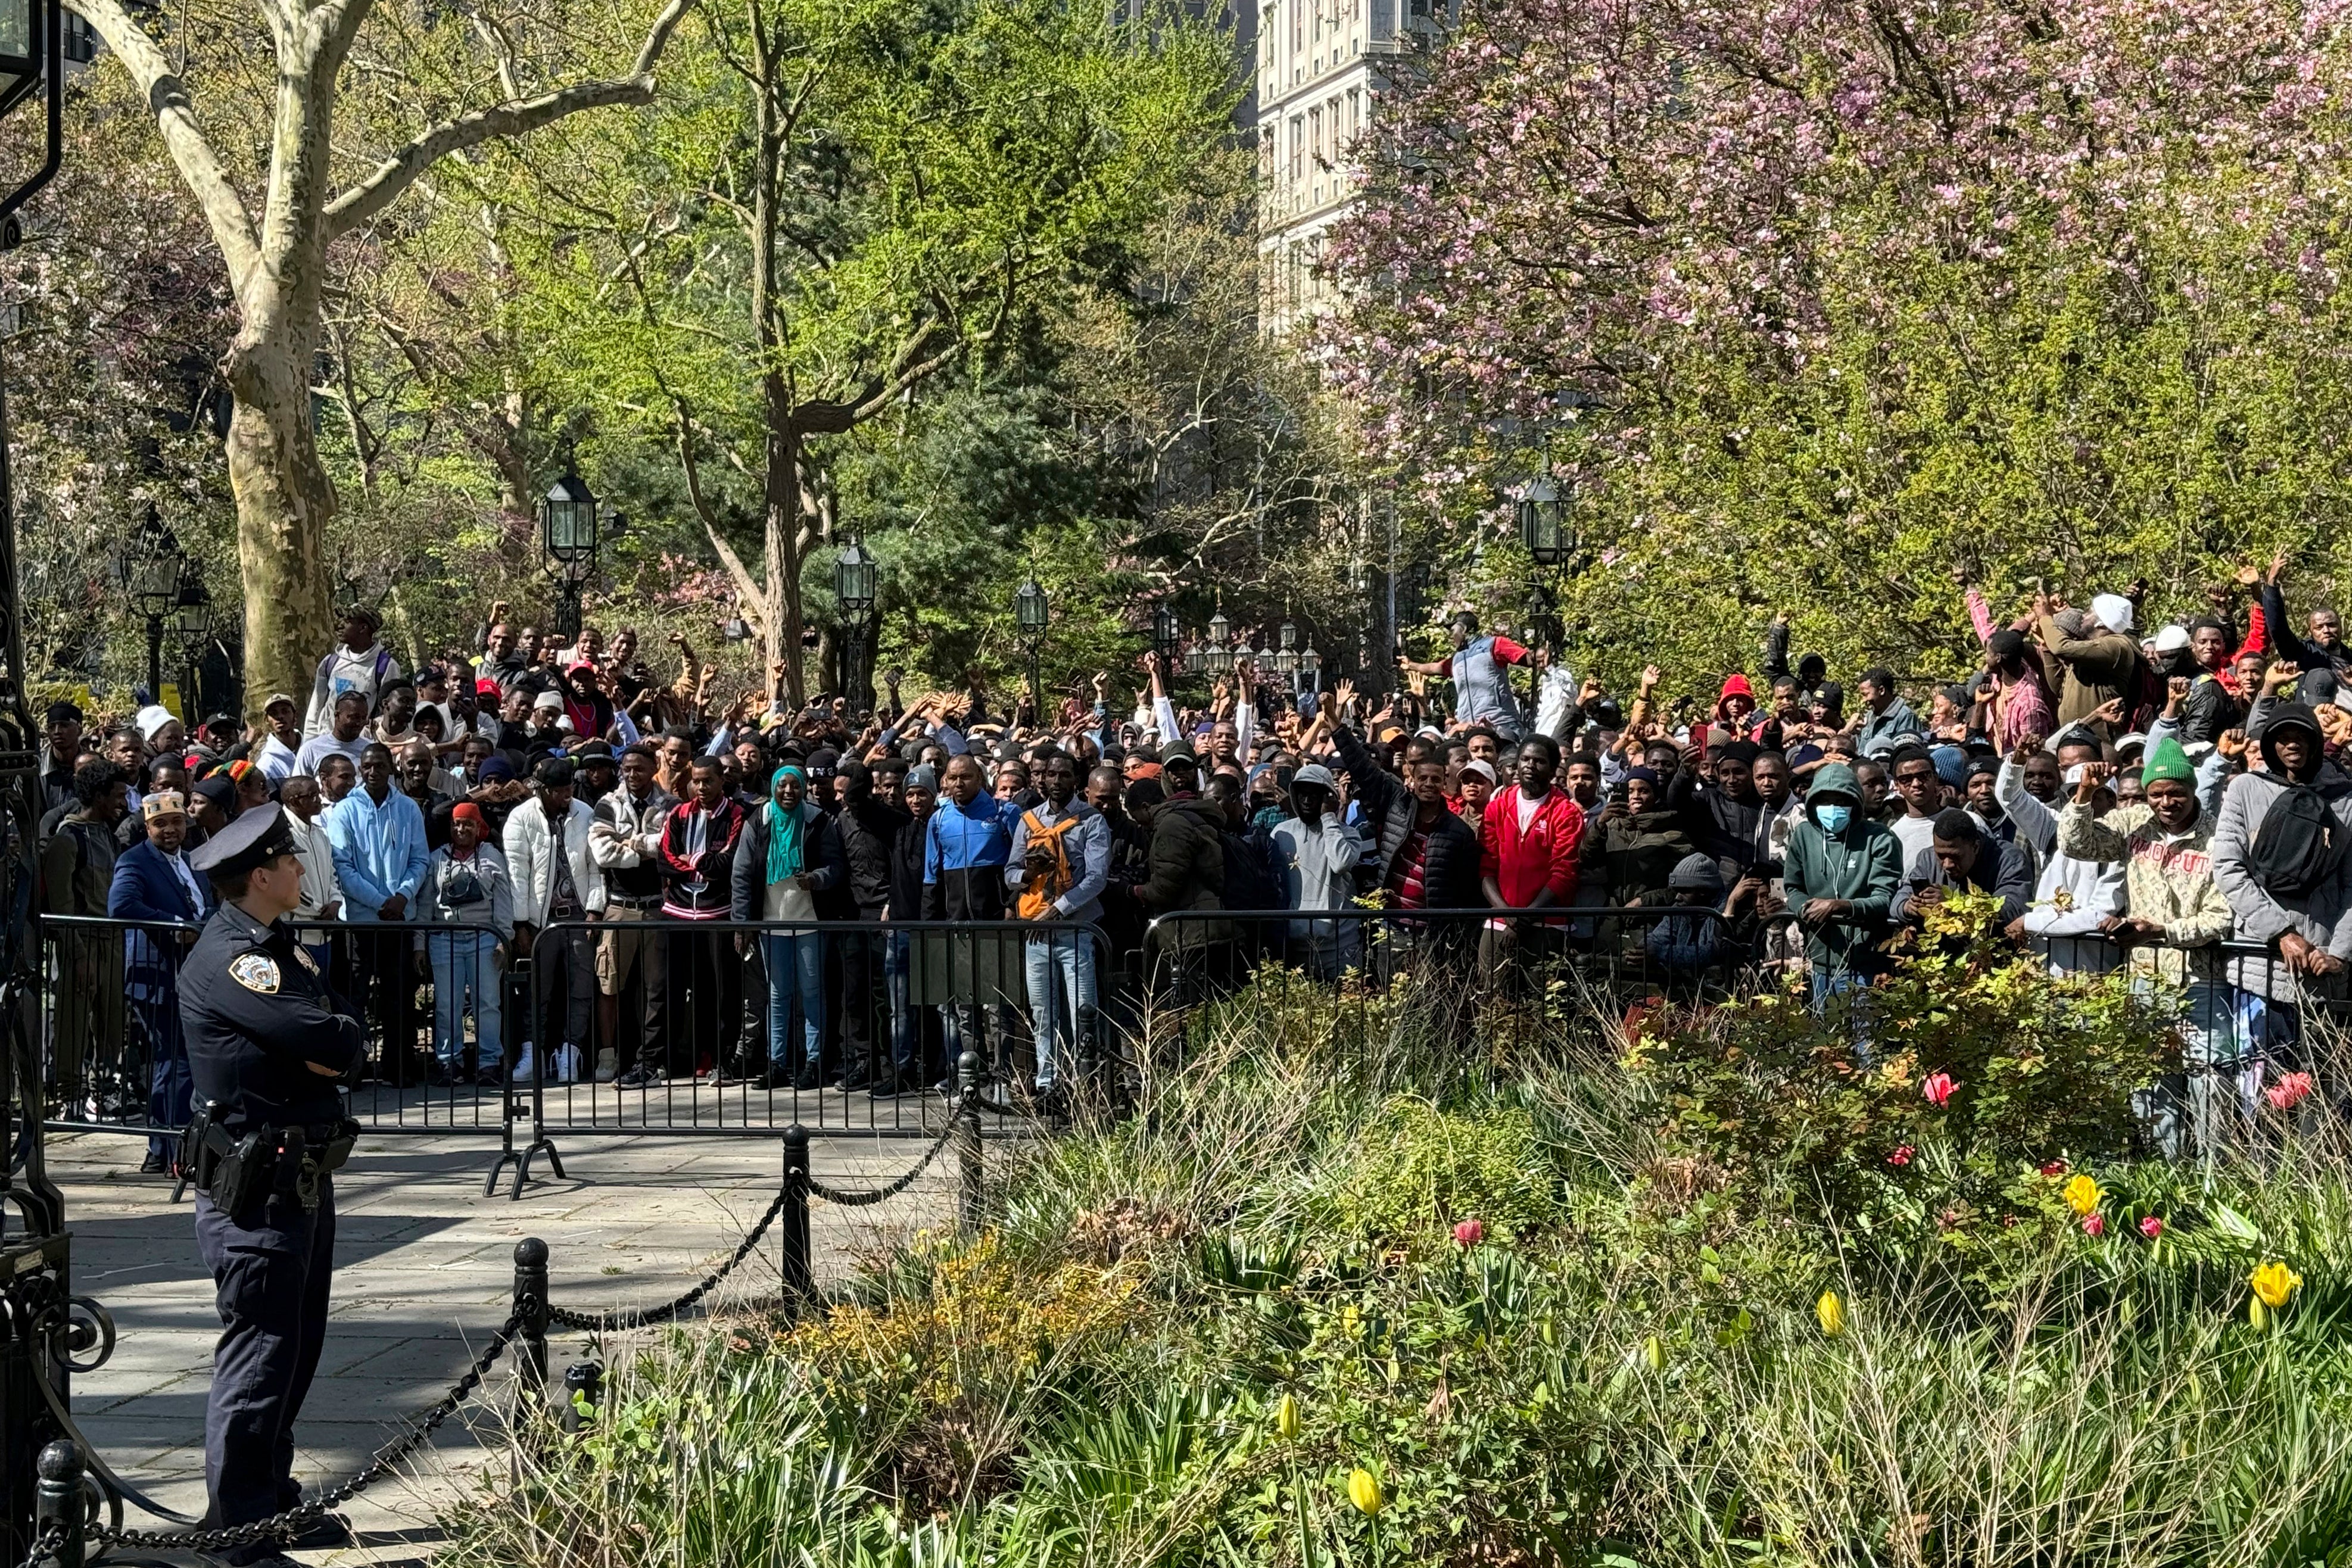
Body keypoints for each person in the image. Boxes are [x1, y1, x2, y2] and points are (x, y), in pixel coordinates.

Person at [176, 806, 365, 1566]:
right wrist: (331, 1041)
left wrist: (333, 1041)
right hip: (258, 1189)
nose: (299, 867)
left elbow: (342, 1032)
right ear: (261, 875)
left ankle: (271, 1500)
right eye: (290, 858)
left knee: (293, 1351)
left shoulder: (280, 948)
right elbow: (323, 1039)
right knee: (259, 1356)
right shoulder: (231, 956)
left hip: (301, 1180)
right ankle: (241, 1527)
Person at [2055, 738, 2238, 1156]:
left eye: (2176, 792)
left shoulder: (2217, 837)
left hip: (2201, 982)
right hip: (2147, 982)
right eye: (2157, 793)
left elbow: (2220, 917)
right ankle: (2165, 1175)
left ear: (2192, 790)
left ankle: (2218, 1182)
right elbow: (2073, 843)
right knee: (2152, 1087)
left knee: (2210, 1086)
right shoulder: (2134, 822)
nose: (2166, 802)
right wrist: (2084, 794)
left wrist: (2160, 930)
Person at [2211, 702, 2352, 1092]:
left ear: (2316, 742)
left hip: (2324, 970)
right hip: (2261, 965)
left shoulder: (2345, 799)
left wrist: (2339, 952)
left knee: (2327, 1090)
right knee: (2263, 1087)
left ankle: (2318, 1156)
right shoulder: (2245, 788)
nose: (2292, 744)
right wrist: (2281, 933)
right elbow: (2227, 868)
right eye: (2282, 737)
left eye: (2301, 736)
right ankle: (2262, 1156)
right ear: (2269, 743)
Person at [108, 790, 213, 1171]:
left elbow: (203, 904)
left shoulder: (191, 861)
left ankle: (167, 1147)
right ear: (147, 827)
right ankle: (169, 1148)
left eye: (177, 821)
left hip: (190, 974)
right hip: (155, 977)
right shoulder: (134, 861)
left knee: (182, 1060)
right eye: (160, 824)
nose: (170, 830)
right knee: (175, 1060)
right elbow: (121, 905)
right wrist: (174, 927)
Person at [733, 763, 846, 1089]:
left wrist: (817, 879)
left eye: (795, 786)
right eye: (782, 785)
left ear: (803, 787)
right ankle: (776, 1064)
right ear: (773, 787)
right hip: (771, 922)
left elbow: (835, 866)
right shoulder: (759, 820)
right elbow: (741, 874)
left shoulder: (817, 820)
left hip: (809, 921)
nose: (788, 792)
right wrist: (743, 924)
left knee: (812, 992)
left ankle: (814, 1062)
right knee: (778, 995)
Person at [1006, 752, 1109, 1102]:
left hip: (1076, 930)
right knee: (1042, 1013)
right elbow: (1009, 874)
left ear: (1076, 781)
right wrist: (1028, 875)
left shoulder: (1090, 821)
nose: (1056, 781)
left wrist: (1059, 910)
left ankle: (1085, 1083)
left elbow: (1096, 878)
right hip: (1035, 931)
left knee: (1083, 1012)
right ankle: (1048, 1084)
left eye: (1064, 775)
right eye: (1050, 774)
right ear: (1042, 778)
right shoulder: (1027, 821)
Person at [324, 743, 428, 1083]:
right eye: (367, 766)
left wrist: (403, 896)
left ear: (391, 768)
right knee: (354, 998)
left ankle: (399, 1068)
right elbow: (344, 867)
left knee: (399, 998)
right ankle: (352, 1070)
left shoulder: (409, 809)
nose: (373, 772)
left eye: (380, 766)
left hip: (400, 920)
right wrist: (380, 902)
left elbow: (419, 860)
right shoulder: (345, 811)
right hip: (360, 922)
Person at [503, 757, 605, 1085]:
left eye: (569, 788)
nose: (566, 795)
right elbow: (517, 874)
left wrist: (594, 910)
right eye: (559, 790)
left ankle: (570, 1052)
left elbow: (596, 867)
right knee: (538, 990)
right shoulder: (521, 817)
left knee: (581, 987)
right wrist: (521, 923)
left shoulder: (584, 813)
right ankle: (532, 1053)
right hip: (539, 919)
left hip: (578, 915)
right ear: (543, 790)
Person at [1781, 760, 1904, 1015]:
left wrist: (1840, 907)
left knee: (1867, 1047)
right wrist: (1805, 909)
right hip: (1821, 961)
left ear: (1856, 803)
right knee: (1828, 1044)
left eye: (1841, 801)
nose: (1833, 808)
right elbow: (1793, 887)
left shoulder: (1880, 838)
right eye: (1824, 801)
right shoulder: (1803, 835)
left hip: (1868, 962)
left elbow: (1885, 899)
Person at [42, 757, 130, 1103]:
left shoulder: (108, 835)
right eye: (118, 795)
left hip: (110, 939)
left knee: (111, 1024)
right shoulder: (68, 839)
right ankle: (68, 1097)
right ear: (98, 795)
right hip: (81, 941)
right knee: (73, 1023)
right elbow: (62, 905)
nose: (123, 803)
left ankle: (103, 1090)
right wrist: (78, 955)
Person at [589, 743, 675, 1086]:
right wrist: (644, 848)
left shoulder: (669, 804)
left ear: (654, 767)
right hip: (619, 907)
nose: (632, 775)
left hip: (657, 906)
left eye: (639, 769)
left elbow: (670, 846)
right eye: (626, 769)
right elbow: (601, 851)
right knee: (609, 985)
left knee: (656, 989)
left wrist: (630, 843)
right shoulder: (607, 804)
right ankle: (608, 1058)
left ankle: (653, 1059)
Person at [657, 759, 746, 1079]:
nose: (701, 788)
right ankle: (658, 1060)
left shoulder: (737, 815)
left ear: (722, 781)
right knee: (666, 988)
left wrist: (693, 860)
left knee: (721, 991)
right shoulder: (679, 814)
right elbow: (664, 860)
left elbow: (729, 864)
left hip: (718, 913)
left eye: (708, 781)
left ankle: (720, 1060)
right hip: (678, 911)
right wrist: (703, 865)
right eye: (696, 781)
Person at [1479, 732, 1584, 989]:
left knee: (1541, 1004)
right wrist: (1507, 915)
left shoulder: (1566, 813)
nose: (1530, 766)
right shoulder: (1497, 808)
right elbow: (1486, 867)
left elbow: (1565, 873)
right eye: (1524, 759)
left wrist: (1526, 917)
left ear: (1552, 769)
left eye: (1539, 761)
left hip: (1548, 923)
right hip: (1500, 920)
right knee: (1491, 1000)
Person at [1271, 762, 1365, 981]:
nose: (1306, 800)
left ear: (1327, 798)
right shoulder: (1281, 833)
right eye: (1301, 794)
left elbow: (1341, 863)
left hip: (1341, 948)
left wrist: (1330, 820)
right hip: (1295, 948)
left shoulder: (1348, 834)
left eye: (1314, 795)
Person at [1398, 610, 1531, 738]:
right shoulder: (1457, 659)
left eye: (1453, 631)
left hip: (1500, 725)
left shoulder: (1495, 644)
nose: (1451, 636)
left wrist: (1538, 657)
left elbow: (1526, 658)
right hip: (1469, 729)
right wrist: (1411, 665)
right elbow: (1435, 667)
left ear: (1465, 629)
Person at [1900, 808, 2033, 929]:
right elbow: (1899, 898)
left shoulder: (2009, 859)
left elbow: (2011, 908)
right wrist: (1908, 907)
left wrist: (1952, 906)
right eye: (1940, 856)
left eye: (1955, 856)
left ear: (1975, 847)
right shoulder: (1927, 858)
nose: (1947, 864)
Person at [1578, 768, 1693, 908]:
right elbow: (1587, 859)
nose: (1636, 796)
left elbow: (1688, 881)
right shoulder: (1612, 827)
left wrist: (1645, 901)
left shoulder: (1671, 833)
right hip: (1613, 916)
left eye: (1644, 791)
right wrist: (1600, 824)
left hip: (1651, 919)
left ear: (1655, 796)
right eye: (1631, 791)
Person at [303, 604, 401, 738]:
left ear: (363, 628)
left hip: (360, 745)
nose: (340, 626)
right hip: (326, 740)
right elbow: (316, 705)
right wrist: (310, 740)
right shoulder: (330, 662)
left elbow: (387, 712)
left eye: (347, 621)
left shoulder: (385, 666)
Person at [295, 691, 373, 778]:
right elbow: (300, 787)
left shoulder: (371, 751)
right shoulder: (311, 750)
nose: (360, 723)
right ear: (337, 715)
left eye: (364, 718)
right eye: (354, 717)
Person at [36, 699, 83, 816]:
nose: (57, 731)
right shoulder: (35, 770)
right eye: (52, 727)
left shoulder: (95, 766)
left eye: (64, 725)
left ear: (79, 730)